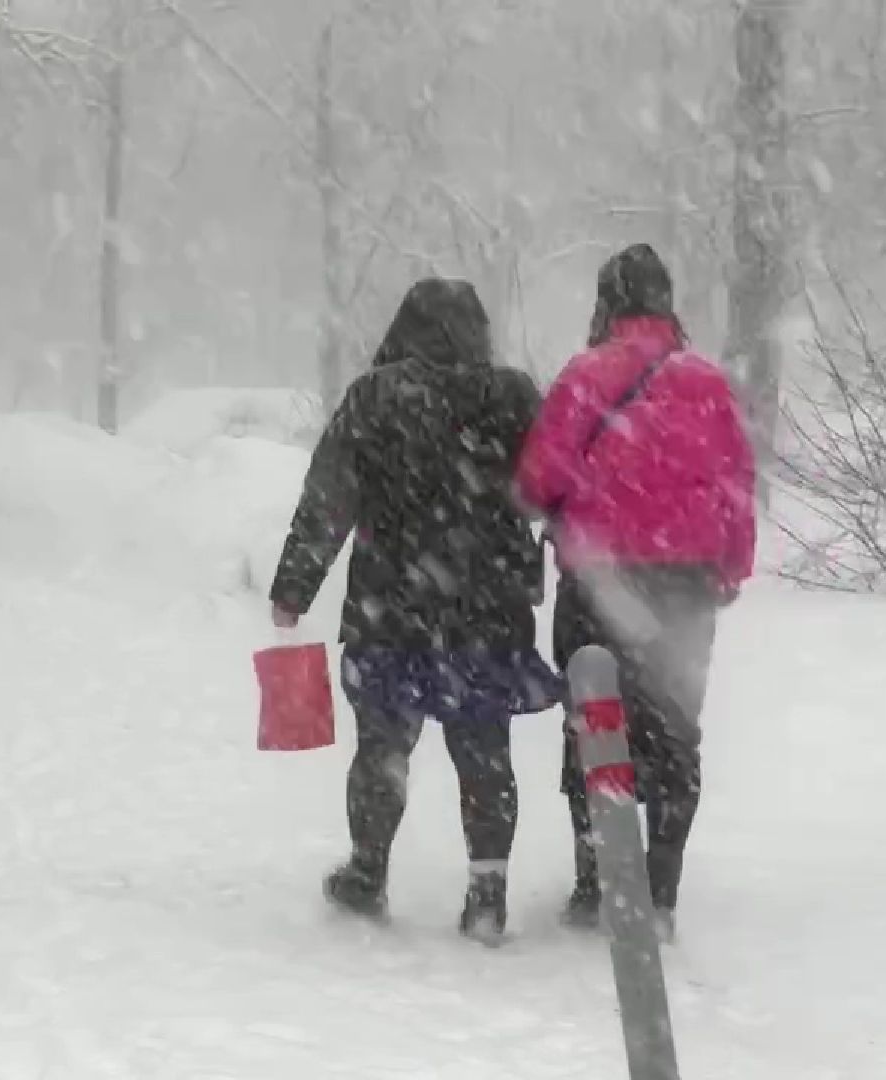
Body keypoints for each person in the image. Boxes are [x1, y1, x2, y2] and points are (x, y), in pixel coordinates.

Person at [269, 278, 561, 945]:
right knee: (484, 751)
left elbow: (327, 501)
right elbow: (551, 487)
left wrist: (294, 587)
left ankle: (367, 871)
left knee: (382, 747)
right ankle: (487, 893)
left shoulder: (375, 398)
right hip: (487, 610)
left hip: (391, 607)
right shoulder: (512, 397)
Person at [515, 243, 757, 941]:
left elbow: (538, 480)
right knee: (675, 729)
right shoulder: (706, 382)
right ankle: (662, 891)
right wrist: (731, 568)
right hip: (685, 584)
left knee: (597, 723)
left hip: (599, 580)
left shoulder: (586, 375)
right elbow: (736, 483)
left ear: (608, 303)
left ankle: (598, 884)